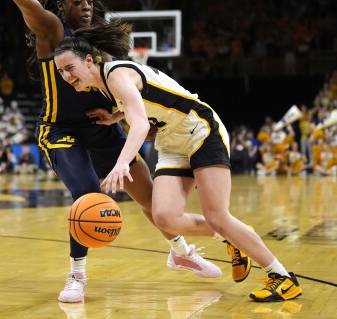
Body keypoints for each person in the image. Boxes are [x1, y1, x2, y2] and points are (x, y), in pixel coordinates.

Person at [0, 0, 238, 304]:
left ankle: (182, 253)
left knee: (151, 199)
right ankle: (77, 275)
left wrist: (130, 120)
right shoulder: (52, 30)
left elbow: (126, 91)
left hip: (101, 127)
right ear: (61, 7)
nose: (86, 5)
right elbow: (26, 1)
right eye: (77, 0)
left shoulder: (99, 41)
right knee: (86, 194)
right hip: (60, 129)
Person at [53, 23, 303, 302]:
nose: (65, 76)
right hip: (172, 141)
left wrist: (122, 163)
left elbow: (138, 125)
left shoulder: (117, 75)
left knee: (217, 216)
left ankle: (282, 277)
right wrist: (114, 117)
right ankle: (233, 237)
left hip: (199, 130)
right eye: (60, 71)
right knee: (165, 217)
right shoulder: (105, 86)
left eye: (69, 68)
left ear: (89, 60)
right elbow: (146, 108)